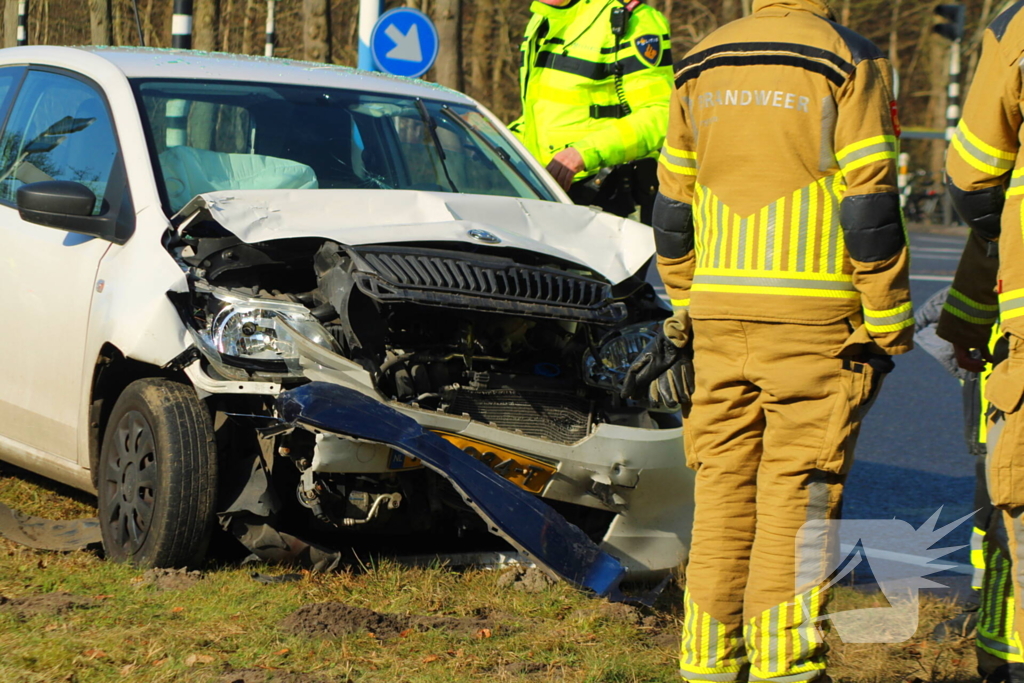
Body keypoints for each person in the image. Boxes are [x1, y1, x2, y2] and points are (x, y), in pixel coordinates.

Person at [622, 1, 912, 681]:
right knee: (798, 491)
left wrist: (689, 302)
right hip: (815, 319)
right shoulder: (849, 59)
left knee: (721, 488)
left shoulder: (701, 59)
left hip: (718, 314)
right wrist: (889, 320)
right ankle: (786, 665)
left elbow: (671, 203)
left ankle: (707, 663)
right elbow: (870, 203)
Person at [934, 9, 1024, 681]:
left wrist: (966, 332)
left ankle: (1002, 650)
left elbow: (973, 183)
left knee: (1006, 504)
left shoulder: (1015, 29)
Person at [917, 287, 1021, 681]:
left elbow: (931, 319)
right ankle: (984, 608)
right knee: (993, 523)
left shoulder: (998, 244)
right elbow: (936, 317)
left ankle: (987, 615)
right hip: (998, 420)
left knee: (999, 524)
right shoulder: (996, 253)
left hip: (999, 418)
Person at [508, 0, 674, 222]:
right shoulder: (542, 17)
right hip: (543, 192)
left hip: (606, 199)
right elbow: (544, 116)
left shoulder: (634, 19)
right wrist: (490, 139)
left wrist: (584, 154)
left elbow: (661, 114)